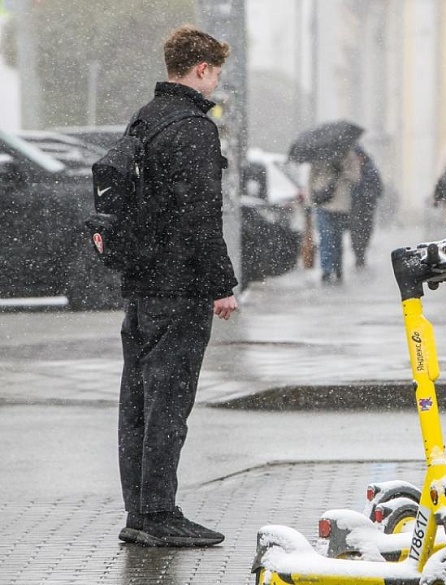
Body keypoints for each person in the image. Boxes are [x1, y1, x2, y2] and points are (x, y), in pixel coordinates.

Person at [116, 25, 238, 548]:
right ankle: (160, 514)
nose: (215, 84)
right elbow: (200, 216)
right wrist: (222, 284)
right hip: (179, 288)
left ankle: (140, 513)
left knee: (137, 404)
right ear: (203, 69)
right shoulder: (193, 126)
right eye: (215, 73)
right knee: (169, 404)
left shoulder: (144, 118)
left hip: (141, 285)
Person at [310, 147, 362, 283]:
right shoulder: (320, 154)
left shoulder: (349, 155)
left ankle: (338, 268)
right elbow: (312, 177)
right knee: (325, 238)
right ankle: (326, 270)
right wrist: (310, 200)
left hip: (341, 205)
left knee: (337, 239)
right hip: (323, 203)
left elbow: (356, 178)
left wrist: (343, 171)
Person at [348, 146, 383, 269]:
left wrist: (368, 194)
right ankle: (358, 254)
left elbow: (379, 188)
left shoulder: (370, 169)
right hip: (355, 207)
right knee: (355, 231)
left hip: (367, 207)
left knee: (366, 231)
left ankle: (361, 252)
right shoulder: (352, 170)